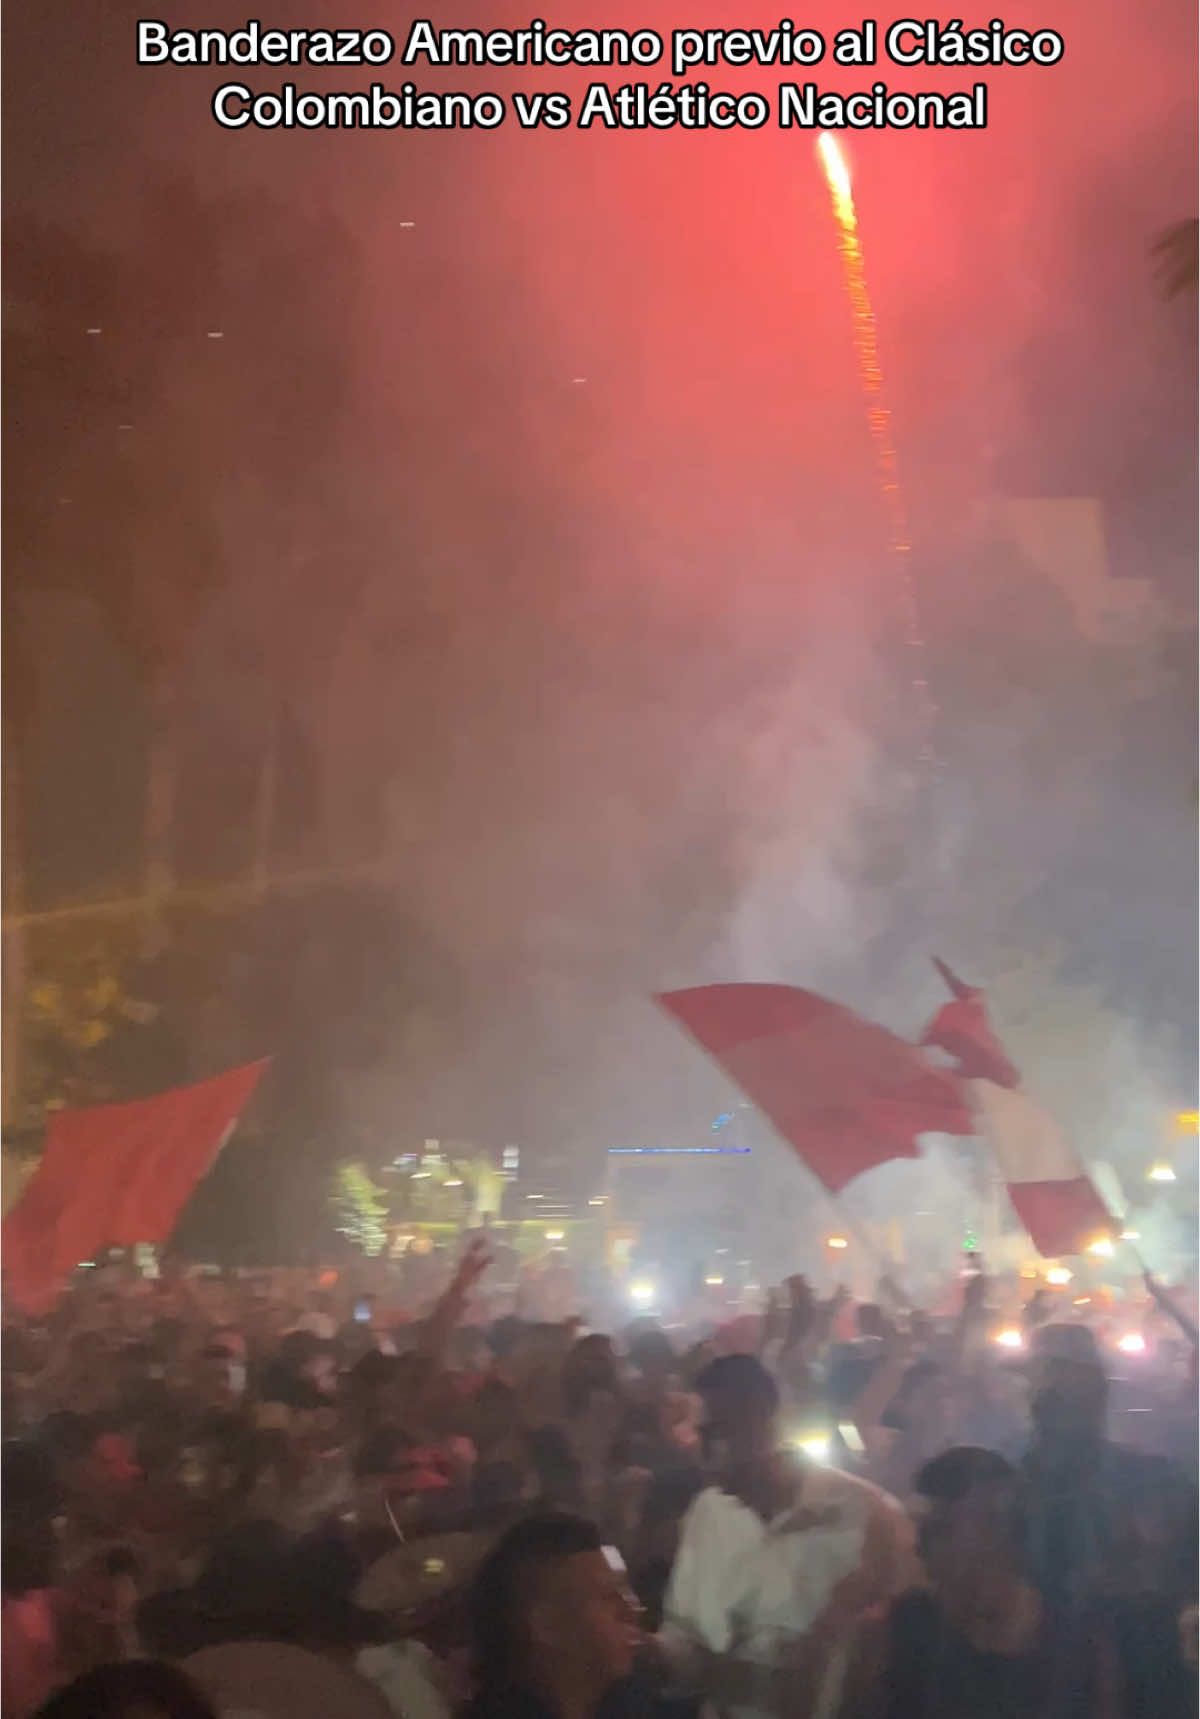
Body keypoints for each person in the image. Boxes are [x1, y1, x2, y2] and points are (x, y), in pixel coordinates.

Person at [655, 1354, 914, 1719]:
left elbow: (893, 1660)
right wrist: (651, 1655)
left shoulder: (867, 1513)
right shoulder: (708, 1512)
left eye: (719, 1433)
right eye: (699, 1436)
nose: (705, 1454)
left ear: (762, 1416)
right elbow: (689, 1640)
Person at [838, 1446, 1118, 1719]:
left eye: (942, 1528)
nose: (921, 1546)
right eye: (923, 1527)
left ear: (1000, 1529)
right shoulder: (891, 1631)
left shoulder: (1080, 1647)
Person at [1019, 1323, 1196, 1716]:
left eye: (1071, 1382)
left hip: (1141, 1681)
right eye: (1049, 1385)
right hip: (1035, 1685)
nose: (1059, 1395)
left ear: (1099, 1391)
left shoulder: (1154, 1480)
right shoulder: (1001, 1485)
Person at [463, 1511, 645, 1719]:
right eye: (608, 1595)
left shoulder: (627, 1705)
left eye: (626, 1590)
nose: (633, 1609)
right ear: (546, 1625)